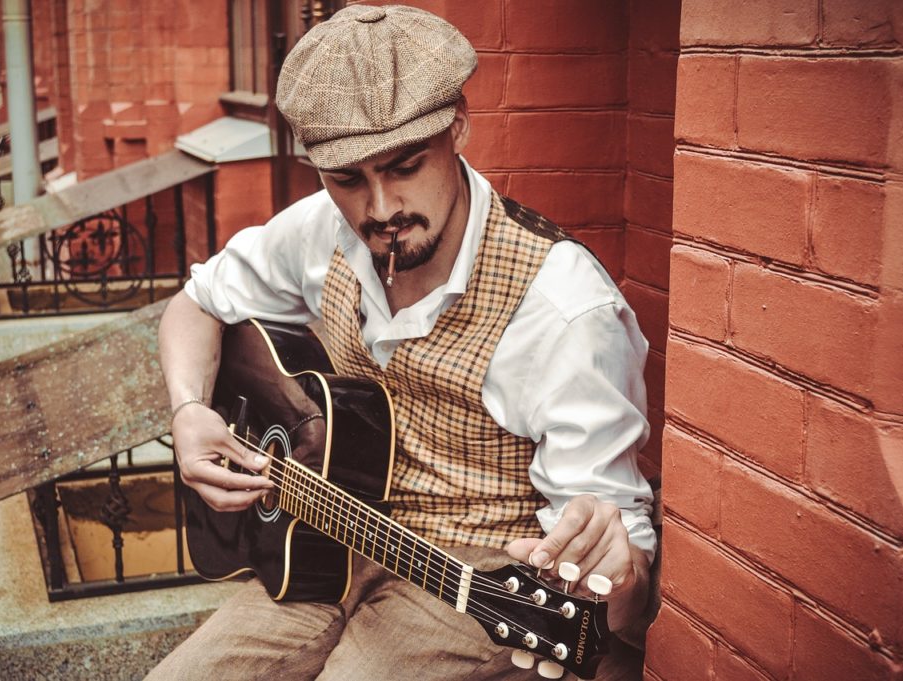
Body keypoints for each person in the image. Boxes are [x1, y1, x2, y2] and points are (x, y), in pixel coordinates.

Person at [149, 5, 655, 680]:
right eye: (349, 179)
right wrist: (188, 411)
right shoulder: (320, 230)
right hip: (327, 544)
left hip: (478, 586)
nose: (381, 209)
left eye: (406, 165)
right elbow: (195, 303)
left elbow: (624, 603)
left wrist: (618, 571)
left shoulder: (562, 307)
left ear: (459, 128)